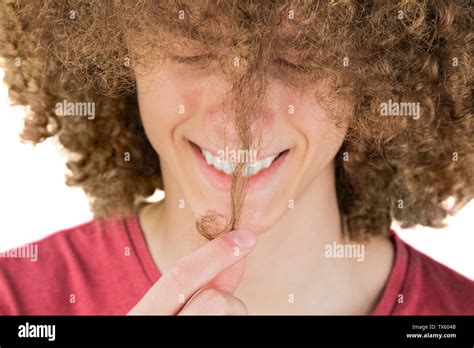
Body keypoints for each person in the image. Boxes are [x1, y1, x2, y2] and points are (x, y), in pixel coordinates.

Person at [0, 0, 473, 315]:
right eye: (193, 47)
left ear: (378, 74)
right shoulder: (17, 301)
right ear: (120, 51)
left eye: (299, 54)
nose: (239, 120)